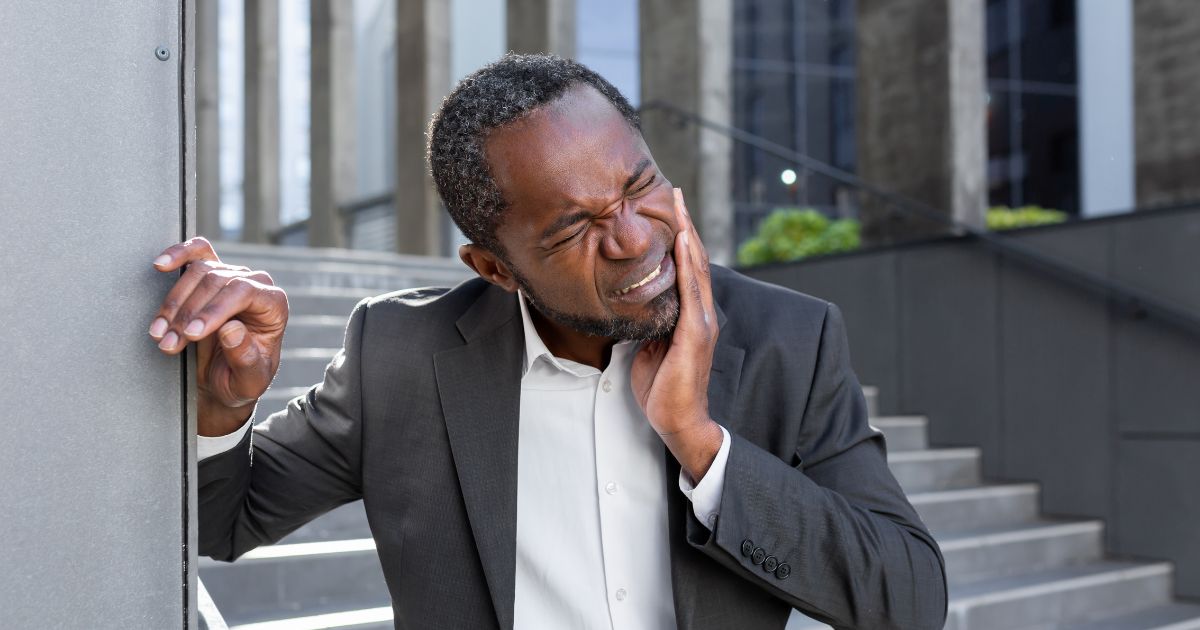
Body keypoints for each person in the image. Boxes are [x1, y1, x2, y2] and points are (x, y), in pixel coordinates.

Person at [150, 54, 946, 629]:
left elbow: (907, 602)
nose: (636, 241)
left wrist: (703, 446)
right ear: (494, 267)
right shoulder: (399, 355)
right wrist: (227, 402)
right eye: (575, 227)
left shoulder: (790, 340)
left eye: (638, 187)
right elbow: (226, 524)